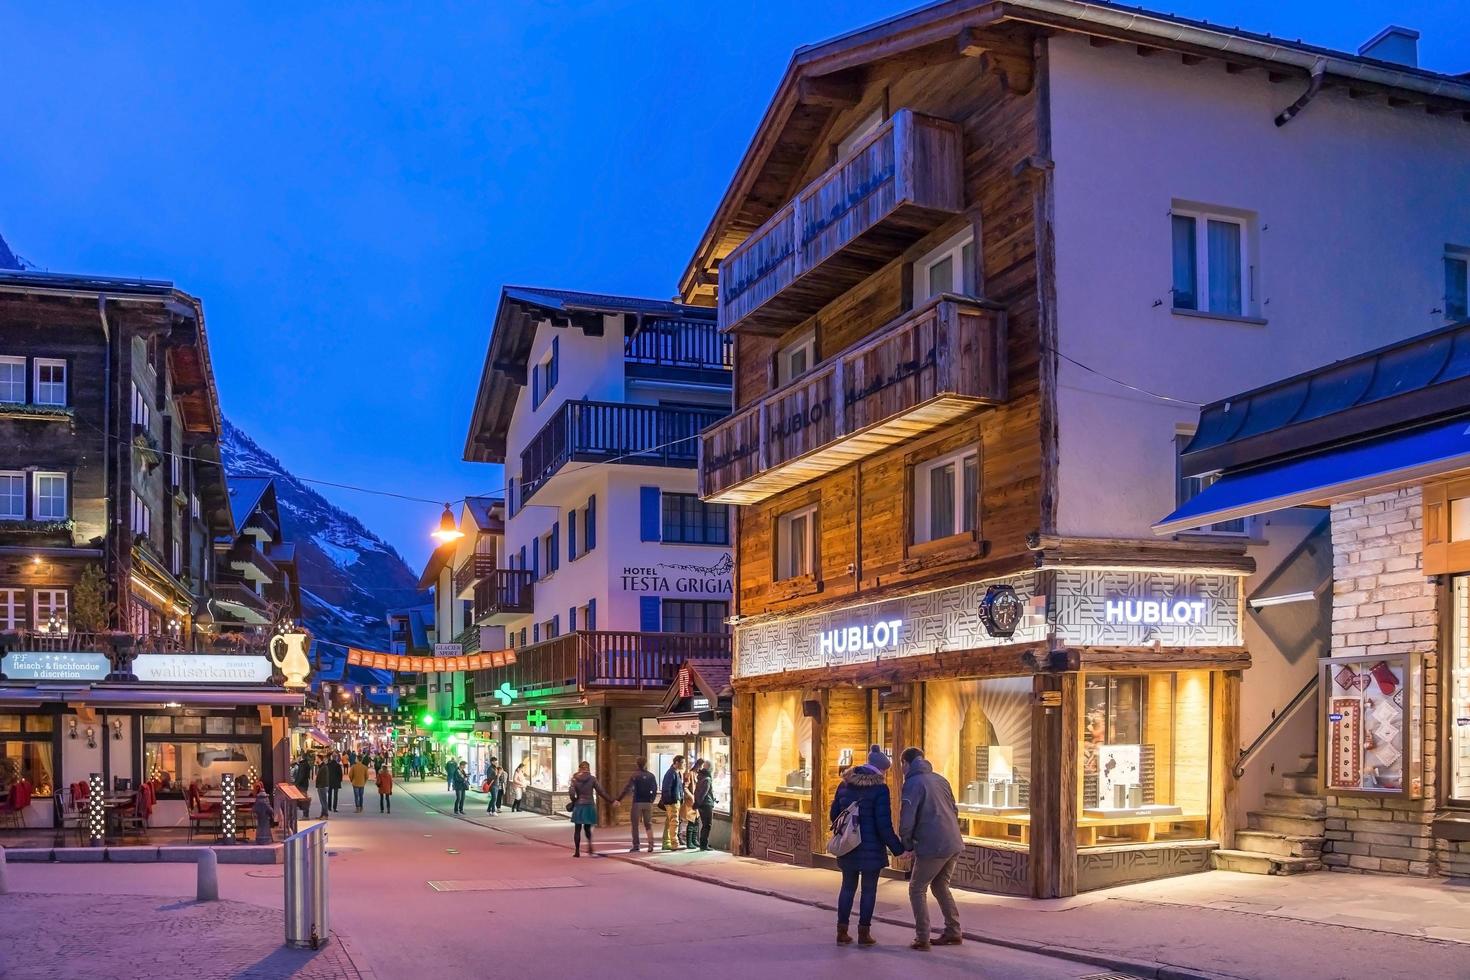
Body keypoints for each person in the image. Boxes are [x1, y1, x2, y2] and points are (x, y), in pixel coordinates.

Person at [830, 745, 905, 946]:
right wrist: (898, 849)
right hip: (871, 849)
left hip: (848, 846)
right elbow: (883, 825)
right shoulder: (880, 789)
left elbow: (834, 815)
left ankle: (842, 931)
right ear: (881, 770)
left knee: (847, 888)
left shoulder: (844, 784)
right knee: (869, 890)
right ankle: (864, 934)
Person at [898, 746, 965, 951]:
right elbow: (954, 808)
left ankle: (922, 938)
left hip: (933, 844)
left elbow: (907, 818)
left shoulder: (912, 783)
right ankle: (953, 931)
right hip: (953, 841)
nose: (901, 768)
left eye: (901, 765)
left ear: (906, 763)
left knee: (917, 888)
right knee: (940, 885)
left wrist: (907, 844)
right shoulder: (940, 779)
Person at [567, 760, 617, 857]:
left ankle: (577, 851)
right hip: (589, 805)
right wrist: (612, 801)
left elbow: (571, 793)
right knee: (587, 828)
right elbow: (601, 792)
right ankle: (590, 845)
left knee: (577, 829)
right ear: (588, 768)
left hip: (579, 806)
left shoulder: (574, 779)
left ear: (580, 768)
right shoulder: (592, 779)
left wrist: (574, 800)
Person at [617, 756, 659, 853]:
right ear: (646, 763)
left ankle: (636, 845)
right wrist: (651, 800)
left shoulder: (635, 775)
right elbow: (655, 789)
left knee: (635, 825)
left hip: (637, 802)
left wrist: (619, 799)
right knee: (648, 824)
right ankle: (650, 845)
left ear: (637, 764)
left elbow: (627, 788)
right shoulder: (651, 776)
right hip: (648, 802)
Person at [658, 755, 685, 851]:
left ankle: (666, 843)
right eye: (682, 763)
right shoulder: (671, 773)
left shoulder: (676, 773)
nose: (684, 765)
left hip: (675, 800)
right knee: (674, 822)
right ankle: (675, 844)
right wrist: (670, 801)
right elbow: (666, 788)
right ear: (676, 763)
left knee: (669, 822)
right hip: (673, 801)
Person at [692, 759, 717, 851]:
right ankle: (704, 845)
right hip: (706, 804)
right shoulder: (707, 779)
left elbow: (698, 791)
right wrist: (698, 802)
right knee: (707, 825)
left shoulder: (701, 776)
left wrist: (697, 803)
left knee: (705, 824)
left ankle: (703, 843)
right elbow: (704, 792)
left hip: (702, 804)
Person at [680, 758, 701, 849]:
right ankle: (689, 842)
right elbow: (685, 787)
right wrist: (691, 796)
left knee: (696, 821)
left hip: (697, 800)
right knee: (691, 821)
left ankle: (694, 840)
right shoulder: (690, 774)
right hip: (691, 802)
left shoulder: (698, 774)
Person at [313, 754, 332, 820]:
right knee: (322, 801)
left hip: (322, 786)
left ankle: (325, 815)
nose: (315, 759)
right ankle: (322, 814)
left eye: (316, 758)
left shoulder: (324, 767)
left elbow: (324, 778)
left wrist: (320, 786)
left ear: (319, 759)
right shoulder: (321, 766)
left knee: (324, 801)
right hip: (321, 786)